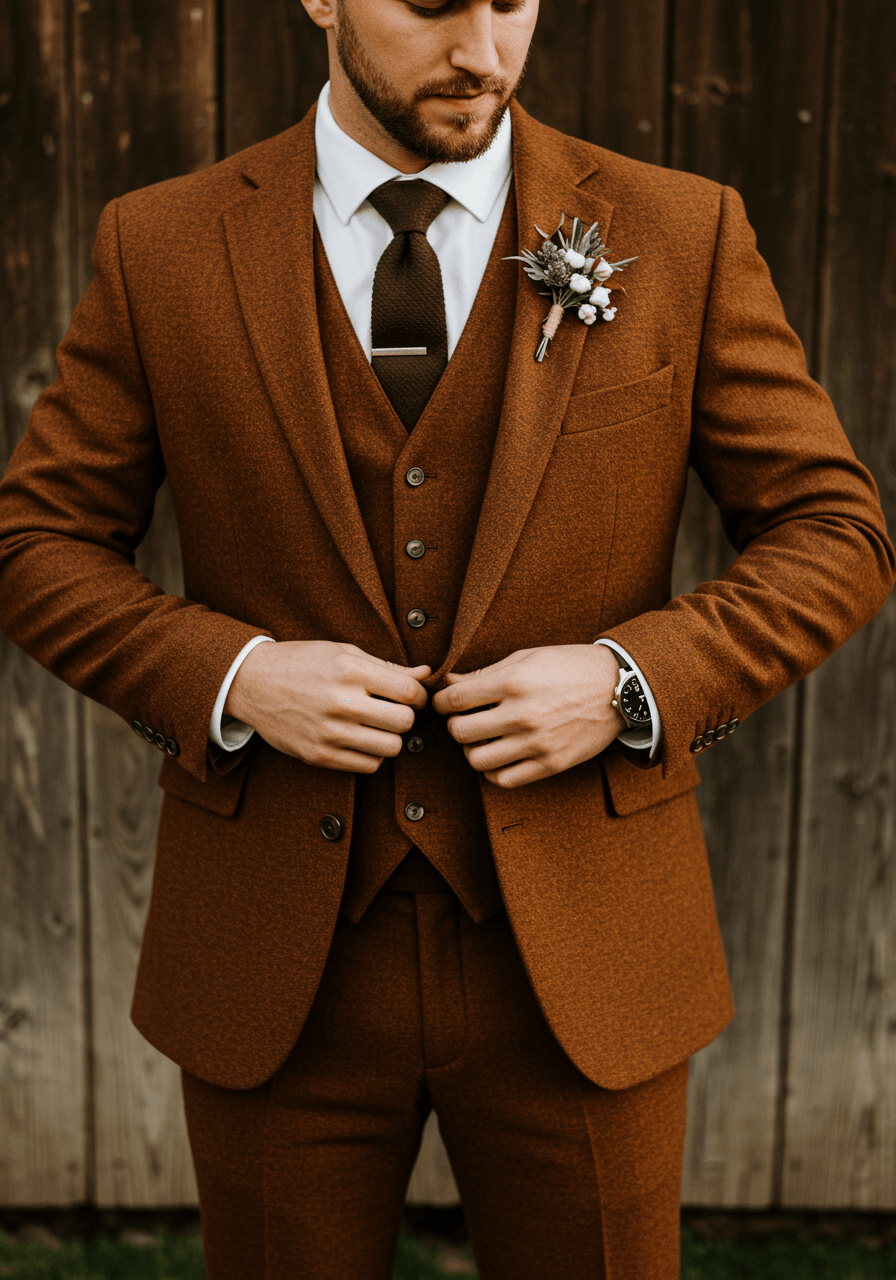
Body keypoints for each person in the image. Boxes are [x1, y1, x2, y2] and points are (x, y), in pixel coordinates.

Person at [0, 0, 892, 1275]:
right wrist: (237, 675)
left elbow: (833, 528)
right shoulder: (163, 244)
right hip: (277, 961)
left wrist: (627, 680)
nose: (482, 47)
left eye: (511, 1)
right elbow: (35, 541)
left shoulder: (677, 230)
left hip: (582, 953)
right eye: (429, 4)